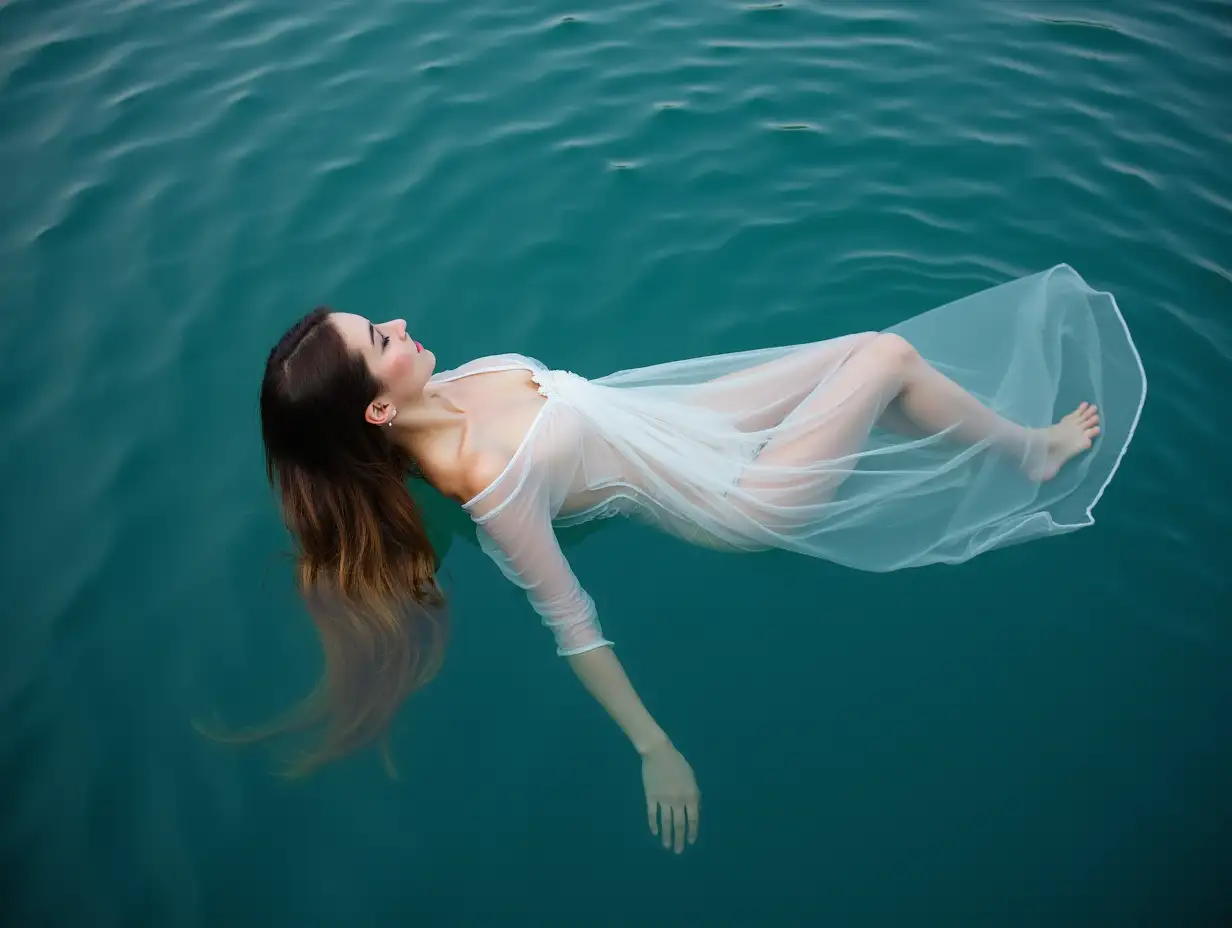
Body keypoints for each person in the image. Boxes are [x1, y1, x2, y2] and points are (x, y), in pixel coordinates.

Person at [257, 263, 1145, 853]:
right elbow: (573, 626)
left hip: (683, 425)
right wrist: (656, 748)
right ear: (376, 411)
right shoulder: (488, 485)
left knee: (862, 359)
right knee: (884, 357)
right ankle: (1027, 452)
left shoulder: (445, 390)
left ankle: (1005, 444)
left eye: (378, 323)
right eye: (381, 340)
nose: (400, 323)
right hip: (728, 500)